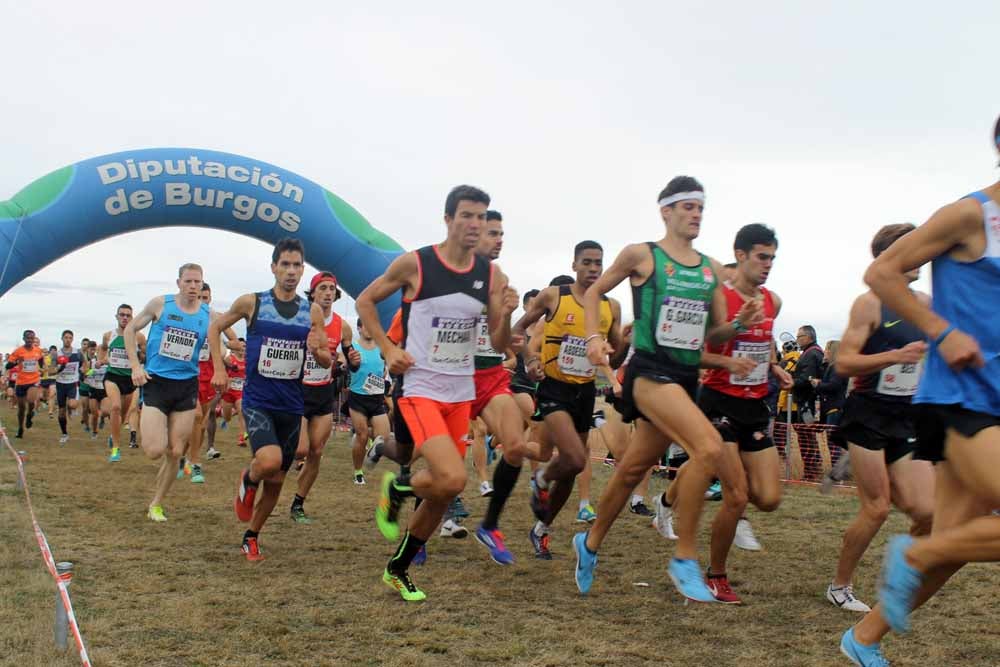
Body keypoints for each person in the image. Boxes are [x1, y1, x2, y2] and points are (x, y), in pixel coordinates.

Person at [839, 122, 1000, 665]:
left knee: (955, 544)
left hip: (995, 402)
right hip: (961, 399)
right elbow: (881, 272)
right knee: (943, 543)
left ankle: (862, 639)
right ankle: (918, 550)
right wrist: (944, 333)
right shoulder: (970, 215)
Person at [572, 176, 761, 601]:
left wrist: (741, 325)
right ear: (666, 211)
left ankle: (589, 543)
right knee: (709, 449)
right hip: (649, 372)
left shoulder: (711, 269)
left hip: (684, 378)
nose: (696, 214)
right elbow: (594, 293)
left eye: (700, 208)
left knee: (631, 471)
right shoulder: (643, 255)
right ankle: (684, 558)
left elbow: (713, 334)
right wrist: (592, 338)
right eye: (688, 207)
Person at [357, 184, 516, 601]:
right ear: (448, 219)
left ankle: (398, 565)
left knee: (444, 492)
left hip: (460, 392)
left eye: (481, 217)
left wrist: (509, 312)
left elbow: (499, 345)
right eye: (466, 215)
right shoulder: (416, 264)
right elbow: (364, 302)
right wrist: (389, 348)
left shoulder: (492, 276)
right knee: (453, 478)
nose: (475, 224)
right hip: (420, 387)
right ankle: (402, 487)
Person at [825, 224, 935, 616]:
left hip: (908, 414)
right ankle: (839, 586)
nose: (922, 254)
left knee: (926, 511)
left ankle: (901, 576)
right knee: (877, 508)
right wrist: (894, 356)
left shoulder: (925, 301)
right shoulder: (869, 304)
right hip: (868, 413)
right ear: (892, 255)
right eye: (912, 246)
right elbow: (844, 361)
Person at [213, 239, 331, 560]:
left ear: (303, 270)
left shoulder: (312, 312)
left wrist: (320, 350)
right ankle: (248, 479)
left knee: (277, 483)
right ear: (274, 267)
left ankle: (251, 535)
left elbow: (323, 361)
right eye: (285, 265)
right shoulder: (252, 303)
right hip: (258, 401)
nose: (291, 272)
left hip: (292, 405)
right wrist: (219, 368)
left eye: (297, 266)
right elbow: (216, 327)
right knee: (268, 461)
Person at [693, 223, 793, 603]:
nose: (767, 265)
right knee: (736, 496)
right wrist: (737, 324)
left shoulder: (773, 301)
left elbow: (764, 340)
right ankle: (716, 575)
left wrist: (774, 366)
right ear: (741, 255)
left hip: (754, 405)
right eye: (761, 257)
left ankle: (673, 499)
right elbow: (706, 343)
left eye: (772, 258)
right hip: (718, 401)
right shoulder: (721, 296)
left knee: (767, 498)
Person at [511, 240, 627, 559]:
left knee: (573, 468)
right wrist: (531, 362)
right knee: (575, 459)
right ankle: (541, 476)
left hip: (585, 390)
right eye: (586, 262)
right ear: (574, 265)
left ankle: (541, 529)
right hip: (553, 388)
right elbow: (520, 331)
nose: (592, 269)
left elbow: (614, 360)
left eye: (598, 263)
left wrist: (624, 344)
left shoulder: (610, 306)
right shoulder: (555, 297)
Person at [125, 263, 212, 522]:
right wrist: (135, 366)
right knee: (155, 450)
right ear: (179, 283)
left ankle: (156, 504)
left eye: (198, 282)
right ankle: (150, 432)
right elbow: (131, 329)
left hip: (186, 386)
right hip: (157, 382)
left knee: (176, 452)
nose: (193, 286)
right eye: (189, 281)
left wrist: (234, 348)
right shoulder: (160, 305)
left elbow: (230, 333)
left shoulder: (208, 314)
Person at [289, 271, 360, 523]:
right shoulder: (299, 316)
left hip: (322, 393)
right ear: (313, 293)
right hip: (297, 390)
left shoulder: (343, 325)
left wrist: (353, 361)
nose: (329, 293)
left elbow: (349, 360)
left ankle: (298, 504)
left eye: (332, 288)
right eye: (323, 288)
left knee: (316, 452)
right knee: (300, 450)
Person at [181, 282, 240, 483]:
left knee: (202, 423)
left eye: (205, 298)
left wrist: (227, 344)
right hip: (189, 372)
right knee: (197, 416)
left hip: (209, 373)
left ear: (210, 298)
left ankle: (184, 458)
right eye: (199, 297)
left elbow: (232, 338)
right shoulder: (186, 315)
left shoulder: (216, 316)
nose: (202, 301)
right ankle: (196, 464)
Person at [100, 305, 146, 462]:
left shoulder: (138, 337)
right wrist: (103, 360)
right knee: (115, 407)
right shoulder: (108, 335)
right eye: (122, 315)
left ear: (132, 318)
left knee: (124, 414)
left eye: (128, 315)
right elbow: (103, 348)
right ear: (117, 316)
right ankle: (115, 449)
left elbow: (145, 356)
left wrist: (140, 357)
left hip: (130, 379)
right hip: (112, 376)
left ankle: (114, 435)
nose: (125, 317)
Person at [347, 317, 390, 485]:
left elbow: (386, 367)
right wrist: (346, 364)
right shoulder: (354, 348)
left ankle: (368, 446)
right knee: (362, 434)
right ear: (359, 328)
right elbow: (345, 363)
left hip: (377, 398)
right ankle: (358, 471)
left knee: (384, 438)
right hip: (358, 398)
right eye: (365, 326)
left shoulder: (381, 348)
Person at [6, 329, 44, 438]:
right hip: (21, 381)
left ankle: (30, 414)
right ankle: (20, 428)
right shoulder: (18, 351)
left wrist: (41, 368)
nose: (30, 340)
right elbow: (8, 365)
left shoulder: (38, 350)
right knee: (21, 407)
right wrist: (17, 361)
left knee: (31, 400)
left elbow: (41, 360)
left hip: (34, 380)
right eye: (28, 338)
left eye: (32, 338)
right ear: (24, 338)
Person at [55, 330, 83, 444]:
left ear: (72, 339)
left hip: (73, 383)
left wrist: (83, 371)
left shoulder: (78, 353)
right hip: (60, 384)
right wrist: (59, 368)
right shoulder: (56, 354)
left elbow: (84, 363)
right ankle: (64, 433)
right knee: (61, 412)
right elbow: (51, 370)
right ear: (62, 338)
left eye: (70, 338)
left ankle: (70, 406)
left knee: (72, 404)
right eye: (66, 337)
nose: (68, 339)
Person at [220, 340, 247, 447]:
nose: (243, 348)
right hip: (228, 392)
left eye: (245, 346)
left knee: (242, 411)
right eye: (241, 346)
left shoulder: (248, 360)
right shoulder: (229, 359)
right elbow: (221, 368)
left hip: (240, 392)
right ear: (235, 347)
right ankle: (222, 414)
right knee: (227, 417)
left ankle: (241, 438)